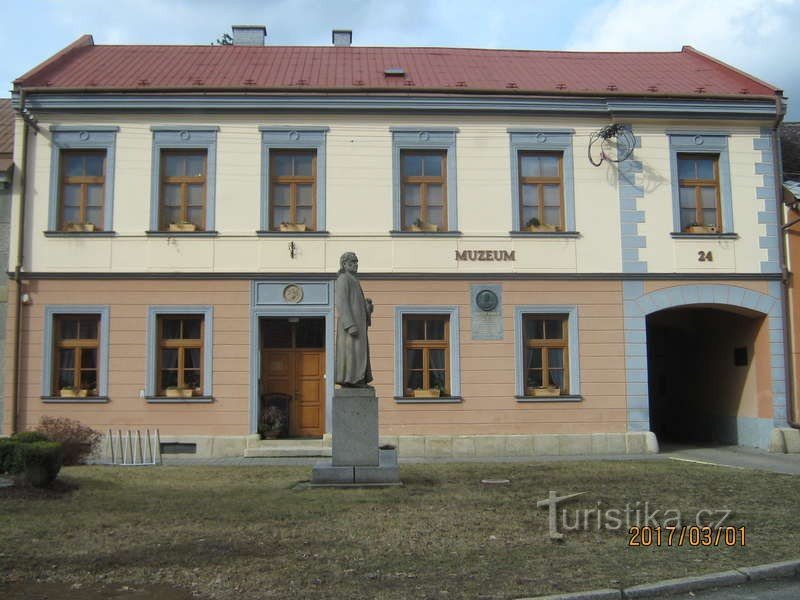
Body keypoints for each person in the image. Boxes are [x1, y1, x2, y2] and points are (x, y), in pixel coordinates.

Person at [334, 252, 373, 387]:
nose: (356, 265)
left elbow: (357, 304)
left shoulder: (355, 281)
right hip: (350, 328)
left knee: (359, 354)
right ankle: (351, 380)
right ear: (344, 264)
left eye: (356, 262)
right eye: (352, 262)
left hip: (359, 325)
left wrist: (367, 308)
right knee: (351, 354)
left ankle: (359, 379)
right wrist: (350, 325)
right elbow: (342, 302)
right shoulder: (343, 279)